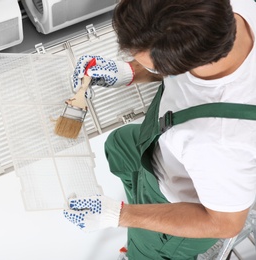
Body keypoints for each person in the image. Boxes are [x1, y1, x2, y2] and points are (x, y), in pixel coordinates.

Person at [63, 0, 256, 259]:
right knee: (118, 146)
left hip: (187, 206)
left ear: (182, 64)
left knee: (146, 250)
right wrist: (129, 72)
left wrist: (119, 215)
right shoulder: (229, 10)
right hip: (165, 156)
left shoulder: (217, 141)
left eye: (153, 66)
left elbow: (225, 223)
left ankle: (148, 245)